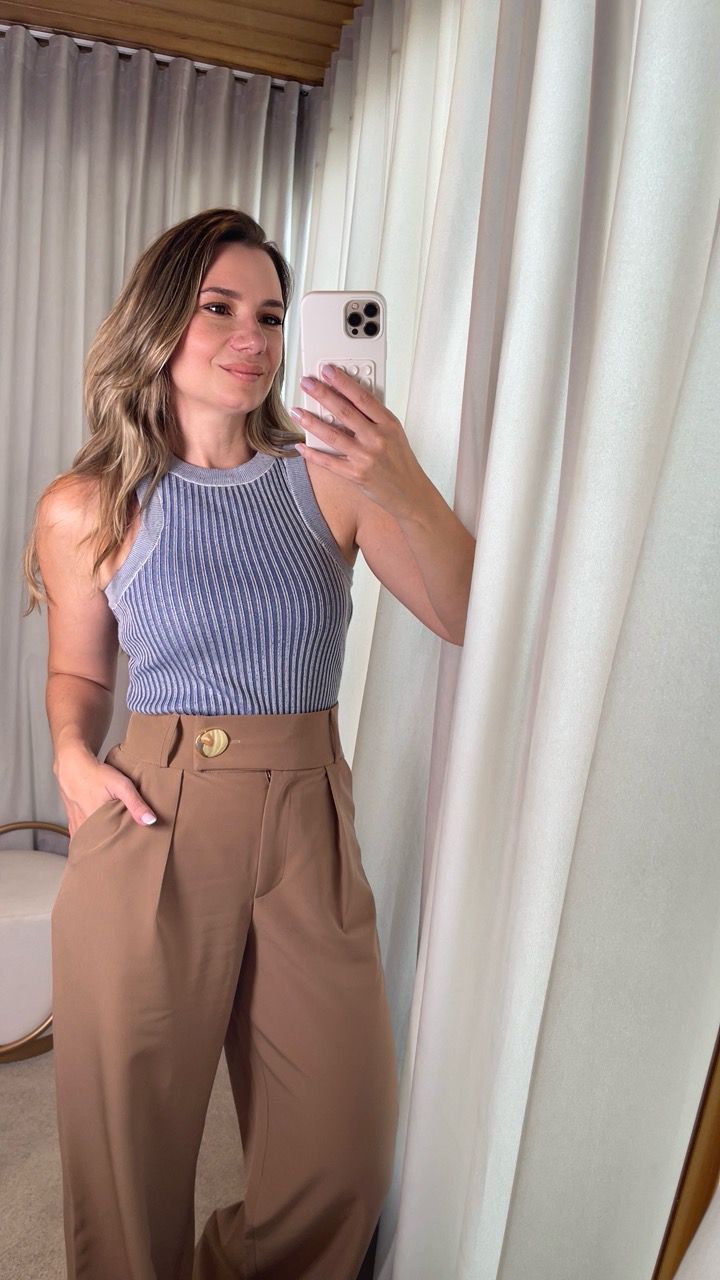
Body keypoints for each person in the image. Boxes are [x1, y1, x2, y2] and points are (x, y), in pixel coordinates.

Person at [22, 207, 475, 1280]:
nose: (252, 336)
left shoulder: (328, 477)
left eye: (271, 315)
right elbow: (80, 675)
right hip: (153, 816)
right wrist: (73, 757)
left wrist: (402, 476)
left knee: (341, 1153)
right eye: (218, 307)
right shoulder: (88, 505)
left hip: (307, 820)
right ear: (158, 322)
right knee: (125, 1149)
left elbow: (466, 614)